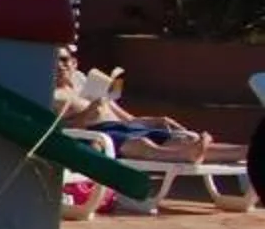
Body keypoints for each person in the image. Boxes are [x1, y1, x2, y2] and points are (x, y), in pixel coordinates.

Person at [55, 49, 243, 163]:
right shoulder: (53, 95)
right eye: (55, 59)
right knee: (142, 144)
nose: (60, 64)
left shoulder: (86, 82)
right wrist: (86, 114)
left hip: (124, 128)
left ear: (74, 63)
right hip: (98, 135)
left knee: (186, 138)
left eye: (64, 59)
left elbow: (128, 119)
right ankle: (184, 155)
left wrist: (157, 120)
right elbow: (57, 132)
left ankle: (246, 152)